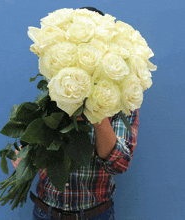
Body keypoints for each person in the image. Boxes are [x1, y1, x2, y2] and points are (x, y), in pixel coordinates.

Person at [12, 7, 140, 220]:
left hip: (95, 214)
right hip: (46, 212)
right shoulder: (56, 88)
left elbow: (119, 164)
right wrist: (23, 156)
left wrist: (97, 115)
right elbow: (31, 142)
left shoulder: (122, 99)